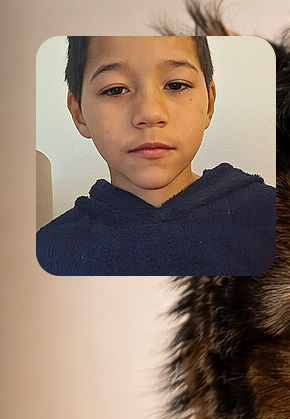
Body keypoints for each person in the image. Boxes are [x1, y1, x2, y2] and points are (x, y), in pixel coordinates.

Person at [36, 35, 275, 276]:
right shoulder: (48, 253)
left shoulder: (278, 219)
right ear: (79, 114)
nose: (150, 113)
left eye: (176, 85)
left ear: (210, 103)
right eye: (116, 89)